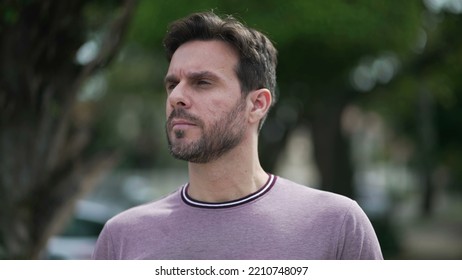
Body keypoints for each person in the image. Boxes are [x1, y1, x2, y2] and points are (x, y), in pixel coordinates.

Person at [92, 11, 383, 260]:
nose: (176, 96)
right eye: (172, 84)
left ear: (257, 104)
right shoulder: (122, 238)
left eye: (202, 82)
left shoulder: (337, 225)